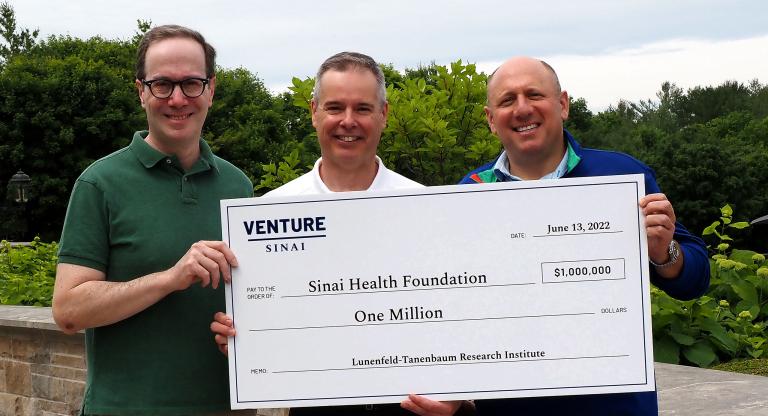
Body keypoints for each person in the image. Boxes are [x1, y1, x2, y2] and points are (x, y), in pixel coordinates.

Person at [211, 52, 473, 416]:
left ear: (384, 114)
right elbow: (265, 322)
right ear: (314, 111)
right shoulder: (270, 210)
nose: (348, 121)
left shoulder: (425, 207)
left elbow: (457, 317)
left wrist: (460, 393)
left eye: (363, 108)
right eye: (335, 107)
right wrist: (246, 338)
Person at [460, 56, 710, 415]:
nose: (522, 109)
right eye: (507, 100)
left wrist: (663, 251)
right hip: (512, 406)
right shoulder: (468, 192)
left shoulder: (623, 175)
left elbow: (694, 281)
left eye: (534, 94)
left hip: (615, 405)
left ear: (562, 105)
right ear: (490, 119)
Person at [52, 25, 254, 415]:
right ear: (141, 90)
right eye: (162, 84)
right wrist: (170, 279)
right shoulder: (99, 183)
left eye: (191, 83)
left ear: (211, 89)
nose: (177, 98)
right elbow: (69, 310)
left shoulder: (239, 185)